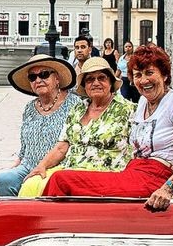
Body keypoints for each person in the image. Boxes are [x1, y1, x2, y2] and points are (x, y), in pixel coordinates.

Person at [43, 45, 173, 207]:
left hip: (156, 176)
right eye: (138, 75)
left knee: (61, 179)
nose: (144, 80)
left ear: (165, 75)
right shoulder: (143, 102)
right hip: (134, 171)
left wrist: (168, 187)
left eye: (150, 73)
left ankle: (47, 226)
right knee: (64, 179)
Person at [21, 57, 135, 197]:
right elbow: (61, 147)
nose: (96, 83)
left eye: (101, 78)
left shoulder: (128, 110)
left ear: (111, 82)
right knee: (30, 185)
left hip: (105, 173)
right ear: (84, 85)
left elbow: (140, 148)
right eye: (90, 79)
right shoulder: (77, 109)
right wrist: (41, 166)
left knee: (58, 184)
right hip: (71, 168)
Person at [0, 55, 82, 196]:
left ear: (57, 79)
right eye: (32, 77)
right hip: (28, 166)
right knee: (5, 179)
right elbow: (24, 149)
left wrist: (43, 166)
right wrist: (9, 172)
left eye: (44, 74)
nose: (38, 80)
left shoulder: (75, 104)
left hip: (59, 167)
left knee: (35, 184)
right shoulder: (30, 108)